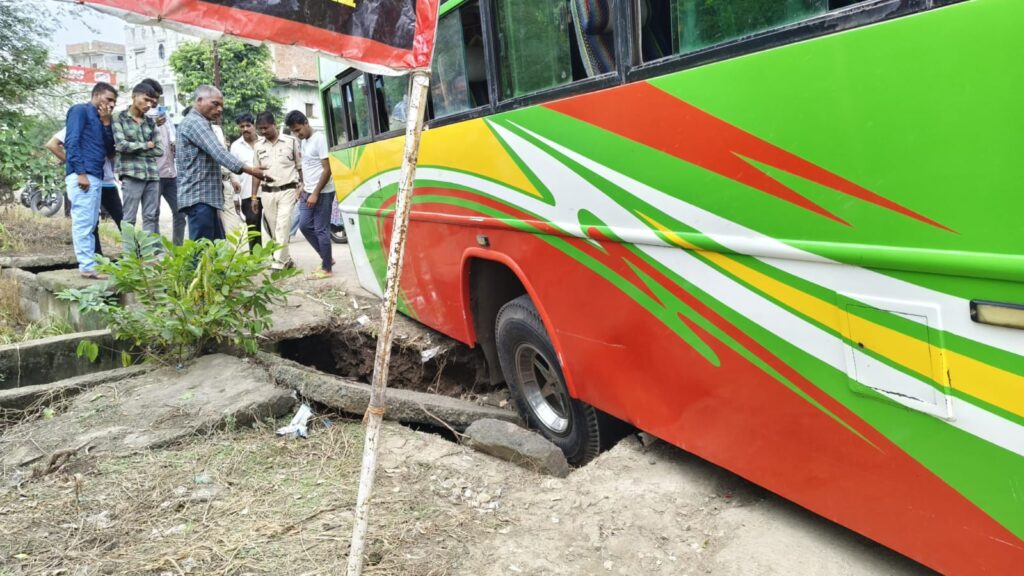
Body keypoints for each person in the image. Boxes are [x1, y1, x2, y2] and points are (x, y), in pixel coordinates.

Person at [175, 86, 269, 241]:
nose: (219, 109)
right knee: (202, 248)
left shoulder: (202, 123)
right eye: (215, 104)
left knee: (216, 246)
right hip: (199, 197)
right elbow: (219, 152)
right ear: (199, 100)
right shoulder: (195, 122)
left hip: (206, 198)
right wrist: (252, 170)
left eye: (221, 106)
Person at [64, 82, 117, 279]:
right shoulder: (80, 110)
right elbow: (72, 141)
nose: (111, 104)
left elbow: (110, 151)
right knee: (84, 222)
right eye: (108, 99)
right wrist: (81, 172)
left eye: (114, 102)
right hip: (83, 175)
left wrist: (106, 122)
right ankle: (87, 267)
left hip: (95, 175)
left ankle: (90, 264)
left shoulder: (101, 119)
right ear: (96, 95)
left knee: (91, 223)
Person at [45, 126, 123, 256]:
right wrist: (74, 165)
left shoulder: (107, 126)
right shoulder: (77, 124)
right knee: (92, 222)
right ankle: (97, 258)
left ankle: (136, 254)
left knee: (122, 219)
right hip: (86, 180)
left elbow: (110, 155)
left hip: (106, 180)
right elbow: (52, 144)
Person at [286, 110, 335, 278]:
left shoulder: (320, 139)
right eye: (294, 131)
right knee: (304, 226)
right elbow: (308, 166)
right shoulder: (304, 141)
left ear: (306, 123)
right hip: (307, 190)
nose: (297, 134)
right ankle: (327, 257)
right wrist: (302, 186)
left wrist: (315, 193)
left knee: (321, 230)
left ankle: (327, 268)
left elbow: (327, 169)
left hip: (322, 192)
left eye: (298, 129)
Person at [113, 82, 163, 240]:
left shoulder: (150, 122)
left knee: (150, 217)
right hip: (131, 174)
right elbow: (121, 145)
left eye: (151, 102)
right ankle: (129, 253)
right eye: (146, 100)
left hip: (152, 175)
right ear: (134, 96)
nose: (148, 105)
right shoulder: (119, 117)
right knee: (129, 218)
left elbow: (159, 150)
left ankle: (148, 252)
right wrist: (146, 145)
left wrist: (133, 148)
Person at [251, 111, 301, 269]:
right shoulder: (258, 146)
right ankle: (287, 260)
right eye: (260, 129)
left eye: (266, 127)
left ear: (274, 124)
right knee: (274, 230)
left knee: (283, 226)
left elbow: (300, 167)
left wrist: (302, 187)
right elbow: (256, 173)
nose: (263, 131)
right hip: (267, 193)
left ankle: (278, 263)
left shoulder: (291, 142)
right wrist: (254, 197)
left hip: (288, 190)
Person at [141, 78, 185, 246]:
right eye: (152, 97)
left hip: (170, 173)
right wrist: (152, 124)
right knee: (152, 215)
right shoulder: (138, 117)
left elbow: (172, 137)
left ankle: (178, 249)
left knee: (180, 212)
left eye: (157, 97)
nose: (155, 101)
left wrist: (175, 145)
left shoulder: (163, 114)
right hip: (153, 175)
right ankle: (156, 251)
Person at [230, 113, 262, 251]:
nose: (245, 129)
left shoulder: (263, 142)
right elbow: (232, 168)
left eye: (248, 125)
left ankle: (278, 256)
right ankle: (255, 256)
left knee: (272, 224)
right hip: (247, 192)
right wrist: (235, 183)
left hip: (267, 190)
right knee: (253, 225)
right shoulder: (236, 146)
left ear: (254, 125)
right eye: (242, 126)